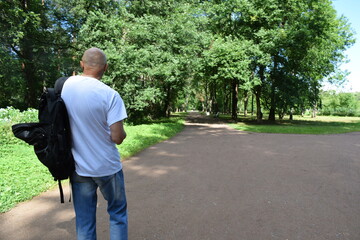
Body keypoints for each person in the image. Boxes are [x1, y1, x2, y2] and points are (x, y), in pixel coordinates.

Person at [61, 47, 128, 240]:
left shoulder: (66, 86)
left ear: (82, 64)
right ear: (105, 68)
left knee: (84, 220)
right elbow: (117, 137)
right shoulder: (110, 95)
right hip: (108, 167)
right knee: (117, 214)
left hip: (79, 167)